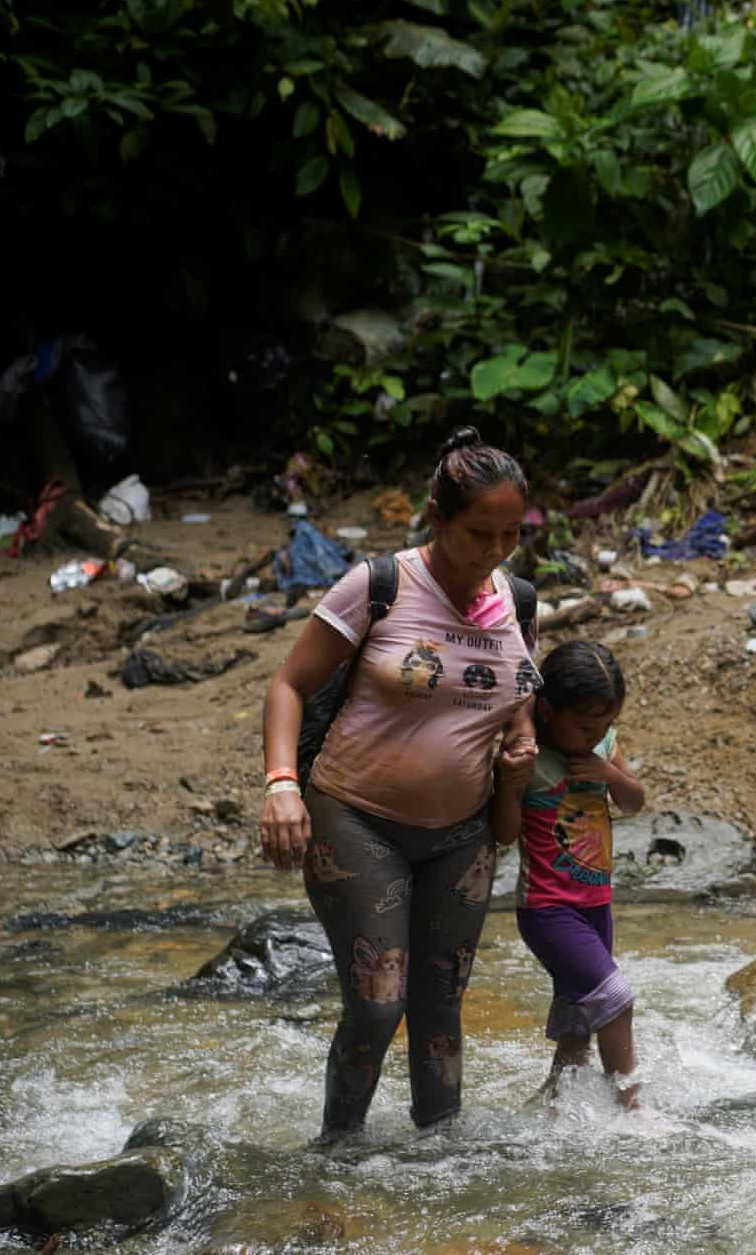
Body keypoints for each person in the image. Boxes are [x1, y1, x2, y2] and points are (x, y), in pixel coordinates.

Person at [258, 426, 539, 1143]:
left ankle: (440, 1158)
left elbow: (516, 689)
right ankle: (338, 1149)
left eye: (512, 534)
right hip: (356, 818)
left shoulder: (519, 600)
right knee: (380, 1003)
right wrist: (282, 784)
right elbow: (290, 684)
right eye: (480, 533)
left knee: (441, 1003)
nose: (495, 551)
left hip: (465, 832)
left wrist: (523, 736)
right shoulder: (379, 586)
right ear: (437, 518)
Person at [496, 640, 646, 1105]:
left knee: (579, 1016)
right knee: (614, 996)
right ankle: (631, 1103)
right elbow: (504, 833)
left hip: (596, 904)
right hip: (548, 908)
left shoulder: (601, 747)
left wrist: (610, 774)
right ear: (546, 710)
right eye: (585, 726)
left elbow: (634, 802)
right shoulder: (530, 758)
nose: (594, 734)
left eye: (604, 724)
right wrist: (507, 786)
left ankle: (555, 1105)